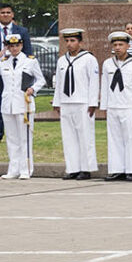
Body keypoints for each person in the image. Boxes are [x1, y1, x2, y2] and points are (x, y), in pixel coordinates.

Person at [53, 28, 101, 180]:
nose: (69, 44)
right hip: (66, 102)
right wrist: (57, 102)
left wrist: (93, 102)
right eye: (67, 41)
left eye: (72, 41)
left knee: (85, 136)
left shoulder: (88, 59)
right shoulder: (62, 60)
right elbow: (59, 83)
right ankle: (73, 168)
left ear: (80, 42)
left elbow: (94, 83)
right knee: (68, 137)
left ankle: (86, 169)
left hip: (83, 102)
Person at [101, 31, 132, 181]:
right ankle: (116, 169)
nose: (118, 47)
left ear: (128, 46)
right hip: (113, 106)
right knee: (114, 139)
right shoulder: (108, 64)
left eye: (121, 44)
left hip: (129, 106)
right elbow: (105, 86)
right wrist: (105, 107)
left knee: (130, 138)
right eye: (115, 45)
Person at [1, 34, 38, 178]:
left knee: (25, 138)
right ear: (7, 47)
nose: (14, 48)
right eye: (11, 46)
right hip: (7, 105)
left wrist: (33, 89)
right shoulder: (3, 62)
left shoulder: (30, 61)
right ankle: (13, 169)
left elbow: (40, 80)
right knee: (11, 138)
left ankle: (26, 169)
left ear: (21, 45)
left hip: (24, 105)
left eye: (17, 45)